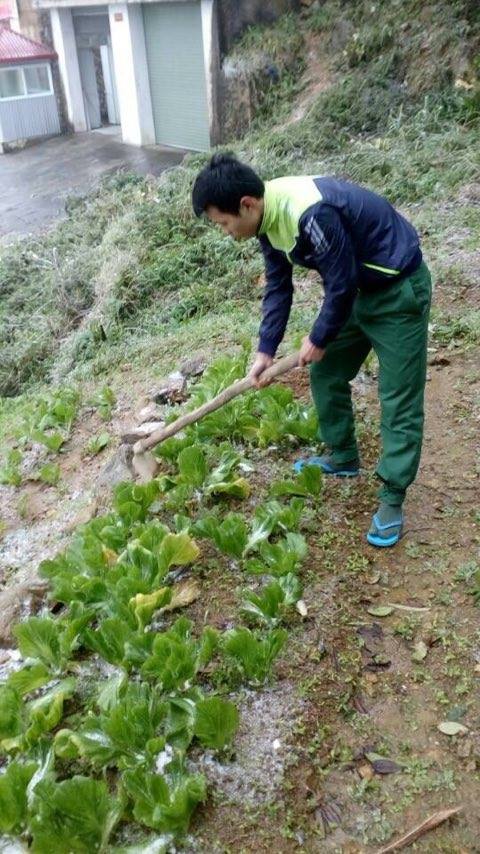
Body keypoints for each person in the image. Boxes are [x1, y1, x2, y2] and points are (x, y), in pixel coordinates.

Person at [191, 154, 432, 547]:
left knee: (398, 398)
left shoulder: (310, 213)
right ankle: (343, 456)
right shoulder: (268, 221)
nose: (226, 231)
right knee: (326, 372)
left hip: (396, 291)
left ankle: (392, 496)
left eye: (223, 222)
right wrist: (265, 351)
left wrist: (318, 336)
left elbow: (339, 279)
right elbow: (278, 286)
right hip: (357, 294)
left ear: (246, 204)